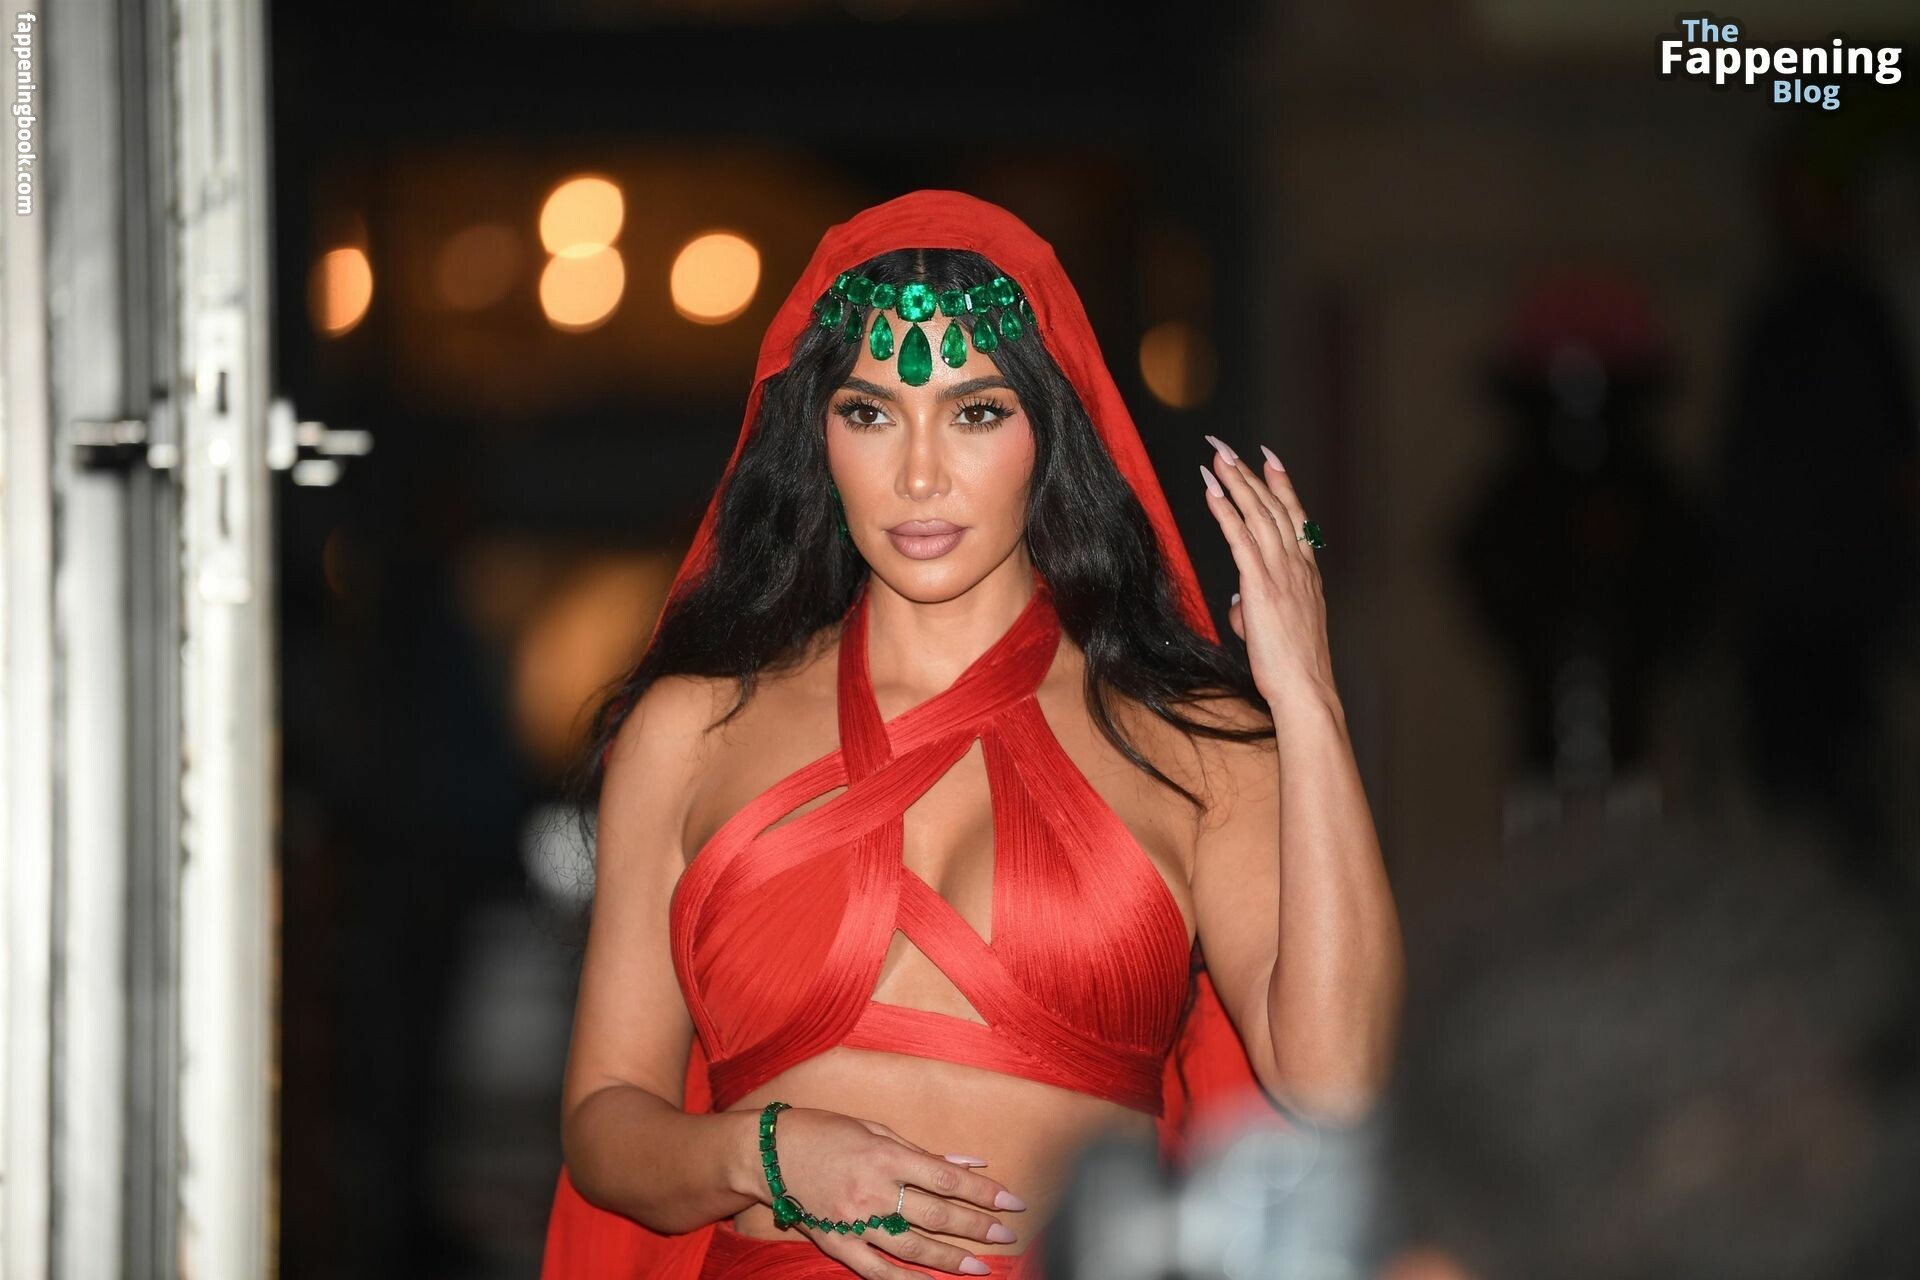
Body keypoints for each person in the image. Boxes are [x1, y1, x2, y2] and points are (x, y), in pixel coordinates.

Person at [539, 190, 1403, 1279]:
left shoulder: (1195, 740)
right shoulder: (693, 730)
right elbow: (606, 1123)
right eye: (869, 413)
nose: (919, 474)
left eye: (977, 412)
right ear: (815, 434)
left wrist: (1308, 700)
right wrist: (764, 1152)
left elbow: (1335, 1085)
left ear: (1051, 430)